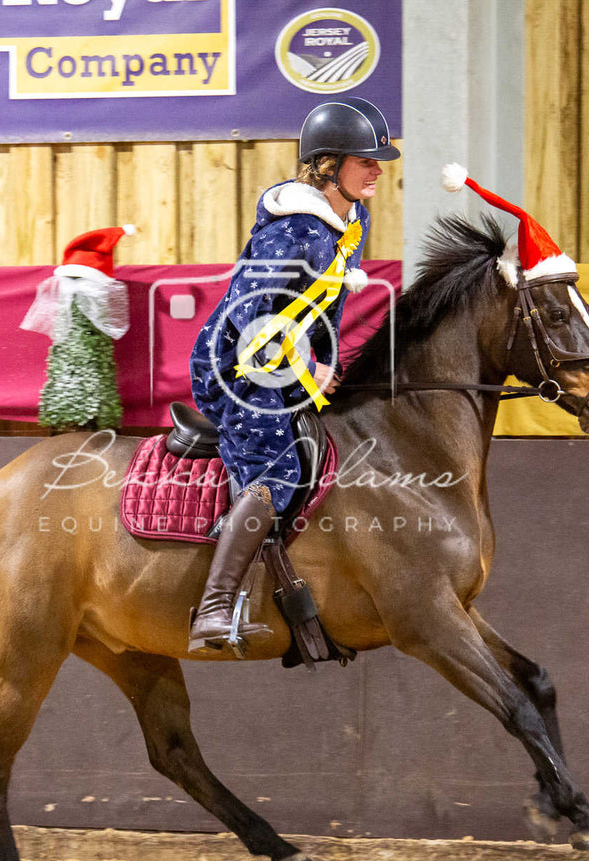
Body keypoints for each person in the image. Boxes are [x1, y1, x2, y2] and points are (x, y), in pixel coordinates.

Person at [187, 95, 399, 651]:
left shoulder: (351, 219)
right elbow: (254, 319)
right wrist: (307, 371)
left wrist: (321, 363)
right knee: (277, 470)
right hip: (241, 366)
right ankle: (213, 606)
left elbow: (321, 309)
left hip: (284, 361)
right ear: (328, 165)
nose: (378, 169)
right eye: (367, 161)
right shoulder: (294, 230)